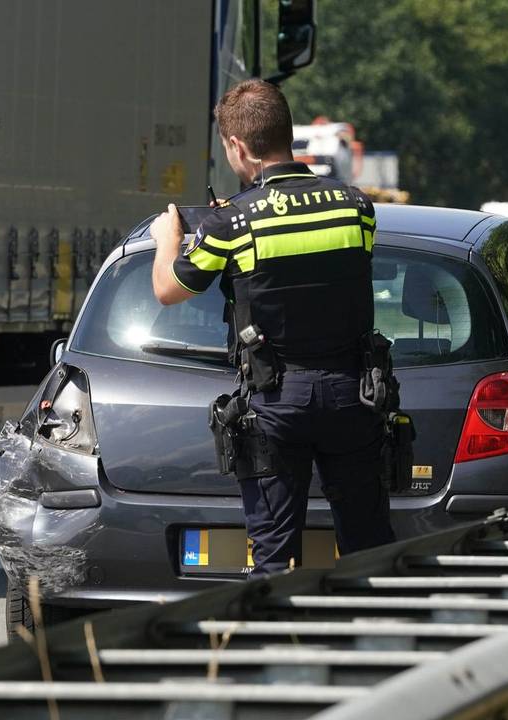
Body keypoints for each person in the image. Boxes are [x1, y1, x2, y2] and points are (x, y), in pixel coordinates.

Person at [147, 79, 395, 575]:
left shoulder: (231, 224)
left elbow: (170, 290)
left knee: (274, 559)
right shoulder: (356, 206)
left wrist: (166, 239)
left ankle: (277, 643)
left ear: (237, 146)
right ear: (287, 134)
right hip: (355, 394)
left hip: (278, 400)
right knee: (370, 550)